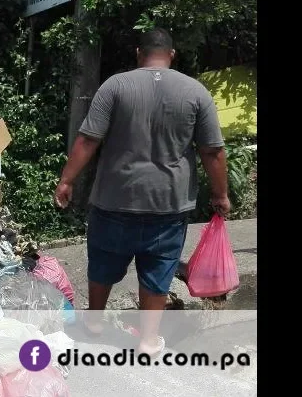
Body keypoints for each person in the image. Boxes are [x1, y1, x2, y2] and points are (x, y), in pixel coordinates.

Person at [53, 28, 230, 356]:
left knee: (103, 261)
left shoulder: (116, 86)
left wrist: (66, 181)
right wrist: (220, 195)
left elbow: (88, 139)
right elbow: (213, 152)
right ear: (172, 55)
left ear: (138, 53)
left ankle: (93, 324)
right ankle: (148, 342)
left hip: (114, 201)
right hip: (168, 205)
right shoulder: (196, 92)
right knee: (159, 268)